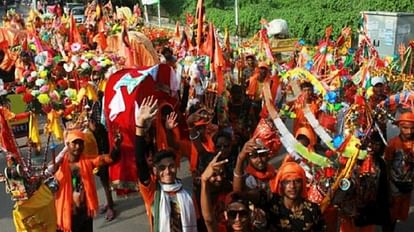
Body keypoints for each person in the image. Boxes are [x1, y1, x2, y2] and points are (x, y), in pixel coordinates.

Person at [135, 96, 198, 232]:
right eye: (162, 168)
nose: (168, 171)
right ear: (156, 171)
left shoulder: (187, 195)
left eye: (171, 166)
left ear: (176, 167)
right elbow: (140, 161)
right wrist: (140, 123)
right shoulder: (153, 193)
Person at [55, 129, 121, 232]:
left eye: (80, 143)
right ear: (67, 144)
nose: (78, 146)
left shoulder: (88, 161)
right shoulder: (58, 165)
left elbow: (109, 159)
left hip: (84, 213)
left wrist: (116, 147)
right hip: (67, 213)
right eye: (74, 143)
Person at [266, 161, 326, 232]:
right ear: (281, 185)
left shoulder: (313, 210)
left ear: (303, 183)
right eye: (287, 182)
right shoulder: (272, 207)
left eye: (297, 181)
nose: (292, 186)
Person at [384, 111, 414, 232]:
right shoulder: (392, 144)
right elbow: (387, 164)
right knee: (390, 214)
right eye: (405, 128)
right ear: (400, 127)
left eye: (412, 128)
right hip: (393, 185)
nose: (409, 132)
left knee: (400, 212)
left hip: (408, 185)